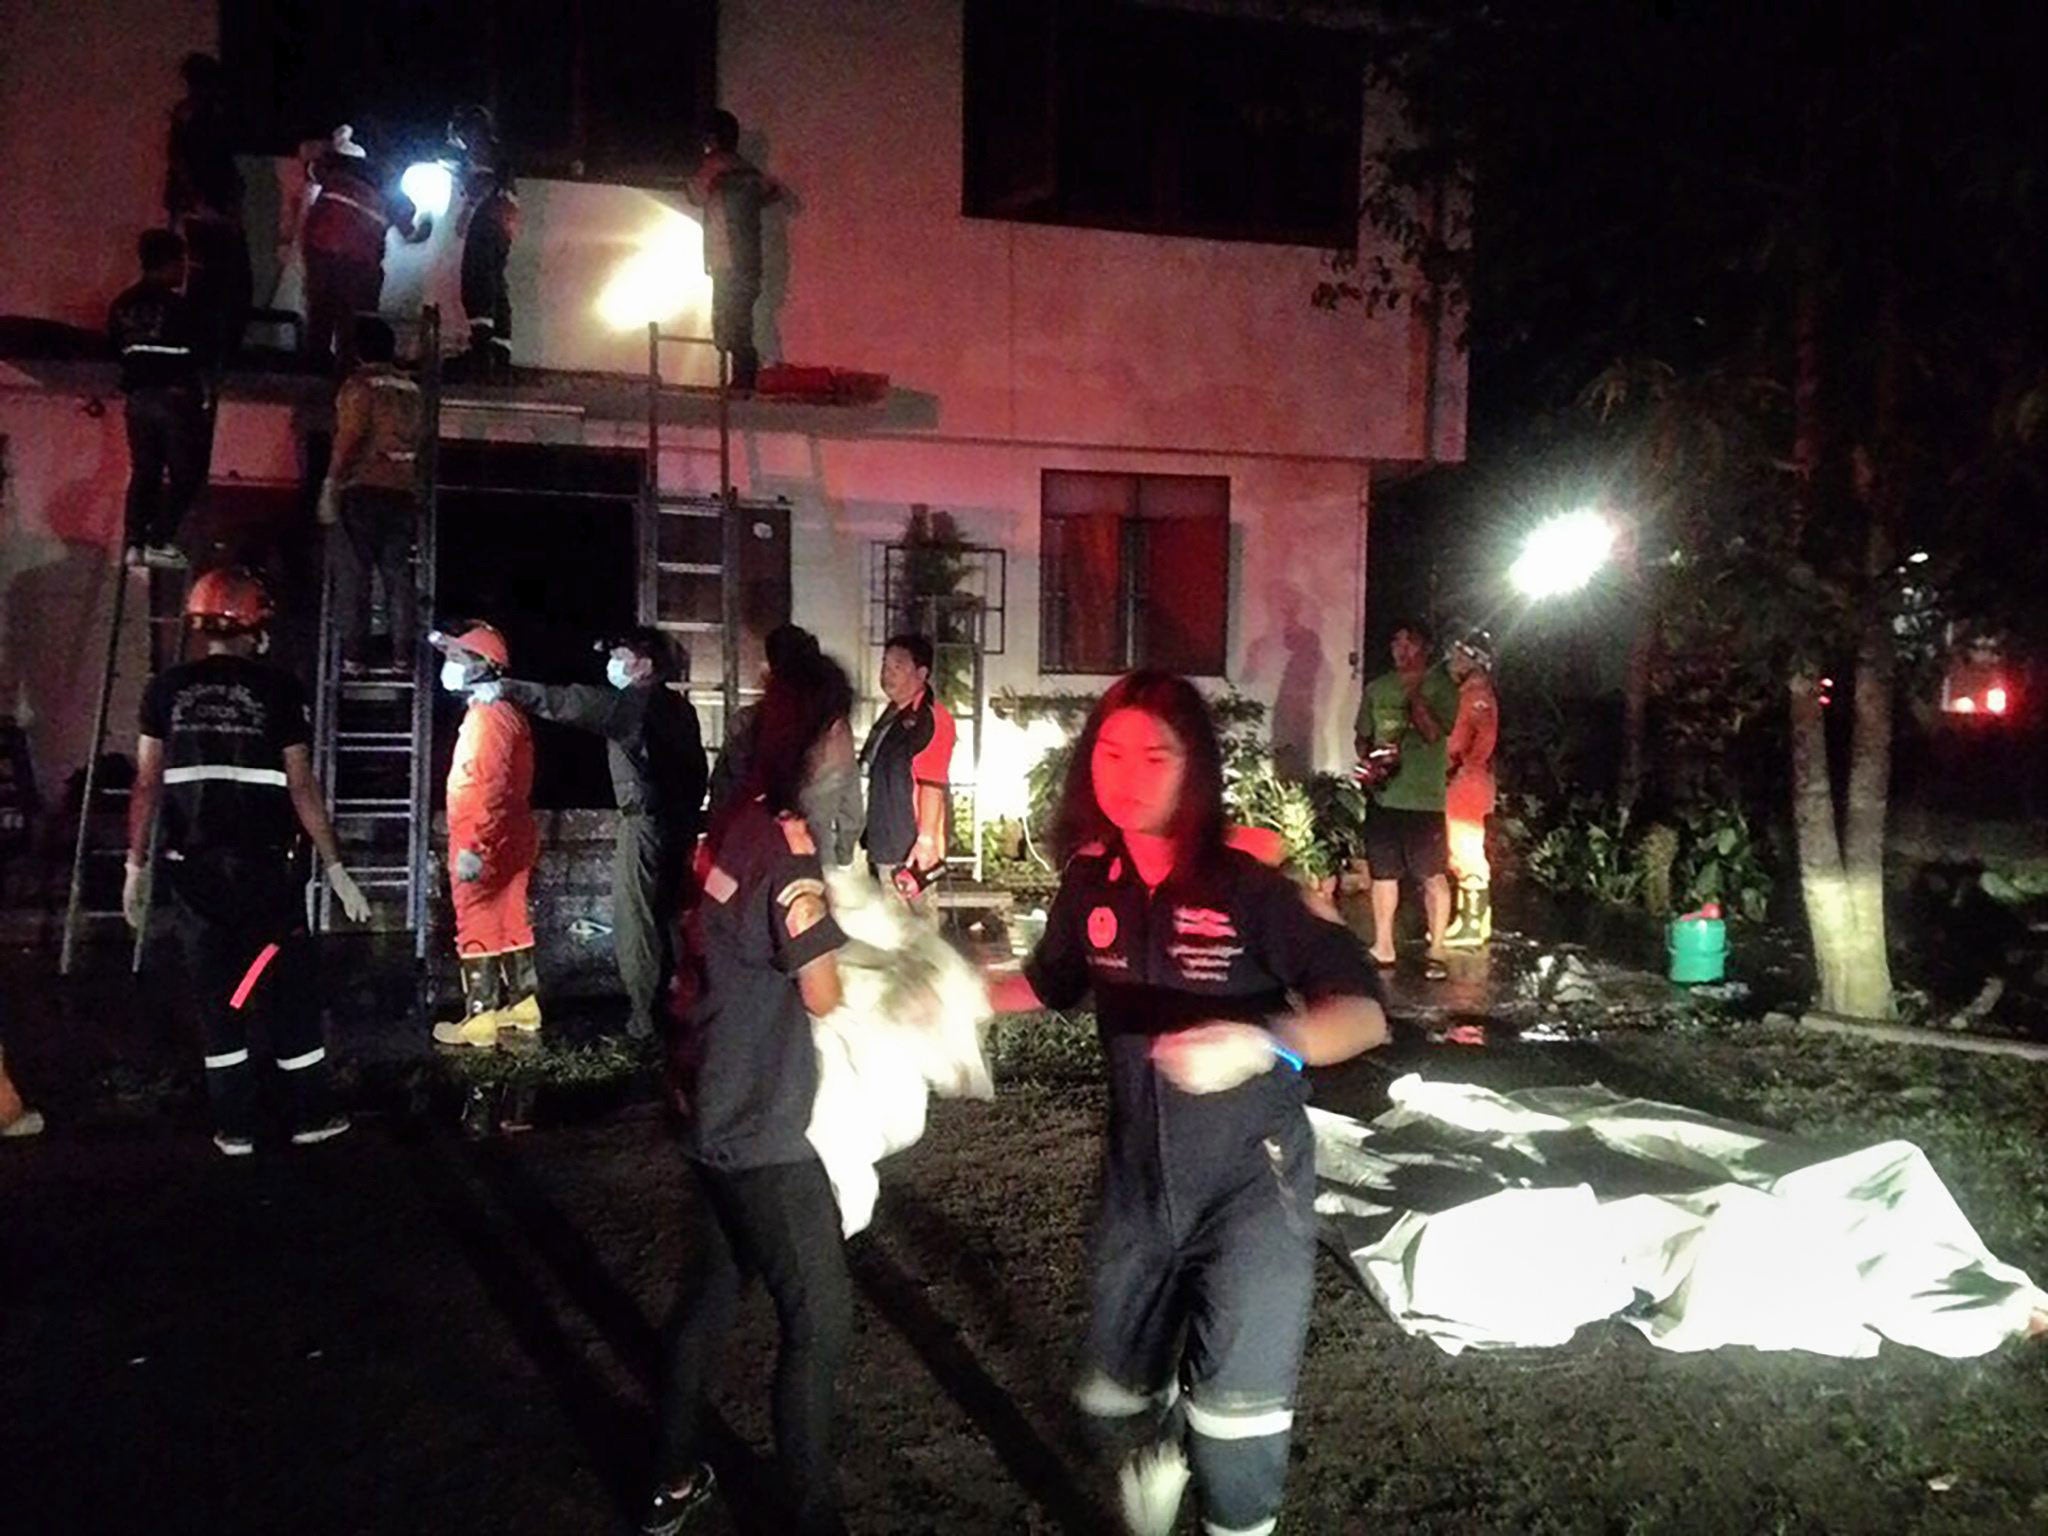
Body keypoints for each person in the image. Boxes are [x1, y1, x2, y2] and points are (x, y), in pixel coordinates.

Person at [983, 671, 1387, 1536]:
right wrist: (940, 995)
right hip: (1135, 1194)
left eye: (1154, 755)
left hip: (1250, 1194)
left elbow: (1361, 1014)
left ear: (1193, 768)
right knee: (1113, 1396)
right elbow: (1046, 985)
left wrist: (1264, 1042)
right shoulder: (1092, 881)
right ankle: (1159, 1448)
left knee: (1235, 1443)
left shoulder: (1251, 890)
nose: (1127, 774)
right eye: (1110, 751)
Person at [647, 659, 855, 1536]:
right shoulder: (788, 844)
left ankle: (667, 1479)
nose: (851, 743)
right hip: (761, 1127)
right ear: (816, 740)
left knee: (707, 1301)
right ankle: (810, 1519)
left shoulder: (732, 824)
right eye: (843, 727)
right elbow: (821, 991)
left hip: (705, 1098)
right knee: (822, 1323)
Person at [123, 568, 369, 1156]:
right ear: (258, 626)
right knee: (286, 987)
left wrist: (135, 865)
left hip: (193, 873)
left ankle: (235, 1124)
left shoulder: (164, 691)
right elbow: (302, 786)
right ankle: (308, 1113)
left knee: (216, 993)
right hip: (265, 872)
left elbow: (147, 785)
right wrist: (335, 867)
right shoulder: (278, 690)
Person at [481, 630, 707, 1041]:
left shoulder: (634, 706)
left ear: (644, 664)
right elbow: (696, 774)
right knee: (670, 918)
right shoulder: (680, 710)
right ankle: (679, 1008)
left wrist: (507, 688)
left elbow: (570, 703)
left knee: (635, 923)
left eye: (620, 656)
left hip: (644, 825)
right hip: (679, 825)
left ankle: (644, 1023)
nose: (612, 665)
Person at [430, 624, 540, 1048]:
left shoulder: (486, 718)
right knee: (512, 918)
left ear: (485, 666)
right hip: (513, 833)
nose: (450, 665)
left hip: (482, 837)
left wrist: (472, 847)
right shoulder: (509, 713)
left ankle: (479, 1017)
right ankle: (524, 1004)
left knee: (475, 917)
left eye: (459, 658)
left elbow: (484, 784)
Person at [1354, 620, 1460, 978]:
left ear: (1426, 648)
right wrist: (1370, 764)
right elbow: (1362, 737)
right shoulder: (1376, 688)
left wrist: (1415, 694)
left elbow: (1432, 732)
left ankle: (1437, 949)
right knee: (1383, 873)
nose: (1401, 649)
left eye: (1410, 642)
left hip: (1423, 799)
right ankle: (1383, 945)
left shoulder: (1442, 687)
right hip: (1385, 797)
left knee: (1431, 874)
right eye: (1396, 641)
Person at [710, 624, 863, 864]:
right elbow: (851, 803)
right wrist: (844, 852)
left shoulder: (749, 723)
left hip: (754, 857)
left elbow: (725, 790)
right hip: (817, 856)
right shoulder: (837, 732)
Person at [320, 316, 422, 672]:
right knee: (397, 575)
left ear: (357, 350)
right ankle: (403, 654)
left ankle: (354, 654)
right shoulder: (411, 388)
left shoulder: (360, 385)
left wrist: (330, 483)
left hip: (361, 489)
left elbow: (348, 439)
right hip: (403, 493)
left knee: (354, 575)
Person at [108, 229, 207, 566]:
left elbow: (117, 351)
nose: (184, 269)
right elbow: (199, 352)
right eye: (182, 262)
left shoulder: (121, 305)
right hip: (174, 397)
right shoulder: (179, 308)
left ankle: (134, 542)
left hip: (137, 399)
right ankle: (159, 538)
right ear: (169, 262)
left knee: (144, 471)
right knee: (187, 474)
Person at [301, 124, 427, 371]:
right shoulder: (389, 185)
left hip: (320, 246)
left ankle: (315, 367)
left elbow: (310, 167)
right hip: (360, 258)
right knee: (357, 316)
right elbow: (410, 232)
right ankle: (350, 368)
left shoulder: (335, 168)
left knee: (320, 310)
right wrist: (426, 228)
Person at [682, 108, 782, 392]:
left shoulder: (714, 167)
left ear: (712, 139)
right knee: (742, 314)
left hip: (725, 256)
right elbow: (771, 192)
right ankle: (743, 375)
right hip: (748, 255)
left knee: (729, 319)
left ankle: (743, 379)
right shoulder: (747, 170)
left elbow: (694, 193)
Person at [164, 52, 251, 367]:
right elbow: (182, 163)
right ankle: (208, 347)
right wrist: (197, 203)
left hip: (213, 207)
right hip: (206, 209)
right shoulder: (195, 116)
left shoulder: (203, 114)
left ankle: (215, 346)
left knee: (224, 282)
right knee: (215, 282)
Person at [858, 633, 953, 905]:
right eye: (885, 666)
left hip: (908, 847)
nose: (887, 674)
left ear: (921, 673)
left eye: (897, 667)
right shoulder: (893, 716)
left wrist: (926, 841)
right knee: (892, 932)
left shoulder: (930, 718)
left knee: (914, 934)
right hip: (883, 841)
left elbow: (932, 783)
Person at [446, 104, 521, 382]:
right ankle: (499, 355)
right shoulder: (499, 149)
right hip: (505, 219)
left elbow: (483, 180)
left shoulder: (479, 143)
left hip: (488, 217)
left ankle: (480, 354)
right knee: (495, 282)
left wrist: (466, 213)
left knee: (476, 279)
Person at [1442, 629, 1500, 947]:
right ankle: (1468, 919)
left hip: (1467, 777)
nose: (1453, 659)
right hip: (1463, 775)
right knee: (1458, 850)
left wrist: (1461, 764)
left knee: (1467, 849)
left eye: (1459, 653)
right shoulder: (1469, 692)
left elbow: (1475, 739)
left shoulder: (1476, 695)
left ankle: (1473, 923)